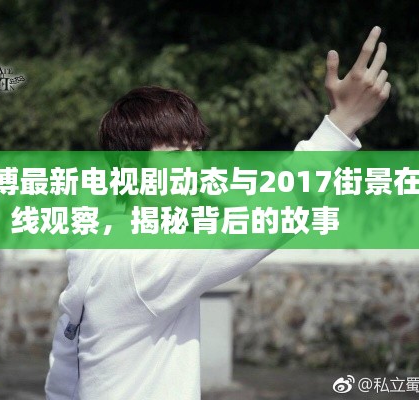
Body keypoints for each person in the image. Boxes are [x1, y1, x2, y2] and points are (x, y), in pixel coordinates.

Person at [45, 26, 390, 400]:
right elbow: (256, 225)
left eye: (196, 150)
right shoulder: (143, 259)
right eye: (176, 153)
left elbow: (64, 371)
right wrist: (340, 126)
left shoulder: (101, 245)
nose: (194, 164)